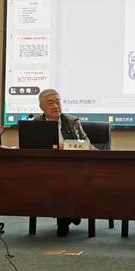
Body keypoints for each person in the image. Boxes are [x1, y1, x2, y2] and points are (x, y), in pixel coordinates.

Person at [36, 88, 90, 237]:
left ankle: (65, 218)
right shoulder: (35, 124)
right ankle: (70, 214)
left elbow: (86, 144)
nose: (55, 106)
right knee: (60, 181)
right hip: (46, 169)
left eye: (58, 102)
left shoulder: (72, 121)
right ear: (41, 107)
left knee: (66, 181)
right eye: (50, 103)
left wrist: (66, 146)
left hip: (73, 167)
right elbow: (29, 148)